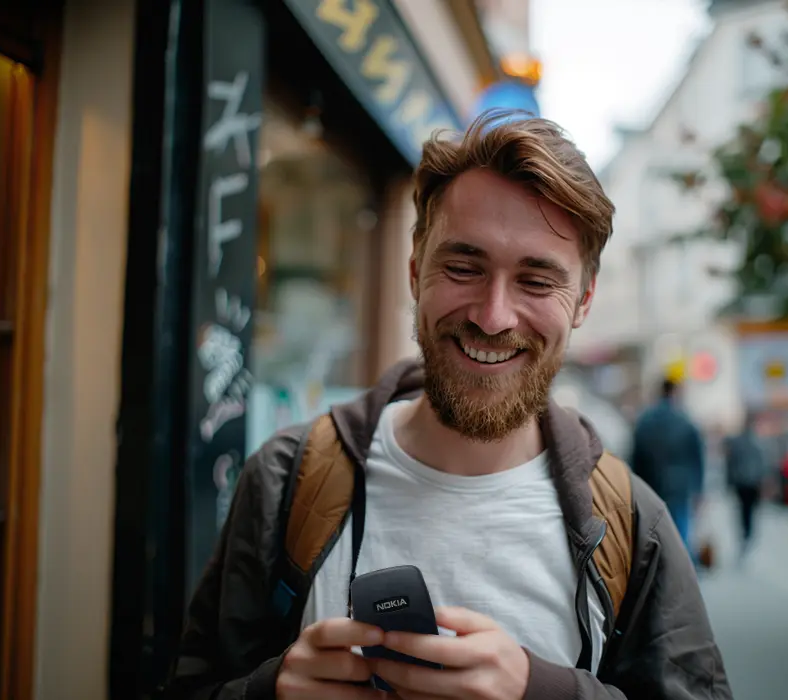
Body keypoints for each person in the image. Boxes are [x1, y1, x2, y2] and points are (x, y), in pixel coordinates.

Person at [163, 110, 731, 700]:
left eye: (536, 281)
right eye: (463, 268)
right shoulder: (287, 480)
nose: (492, 316)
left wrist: (545, 691)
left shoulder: (632, 524)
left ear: (583, 301)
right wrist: (269, 692)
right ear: (415, 273)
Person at [629, 378, 706, 557]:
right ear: (675, 393)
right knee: (680, 534)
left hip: (650, 486)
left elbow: (635, 456)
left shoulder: (645, 421)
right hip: (680, 488)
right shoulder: (686, 420)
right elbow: (697, 458)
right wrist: (699, 490)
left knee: (653, 533)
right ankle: (682, 575)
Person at [724, 412, 768, 559]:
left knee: (744, 511)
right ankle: (747, 534)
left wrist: (729, 482)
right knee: (749, 511)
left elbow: (730, 463)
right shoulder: (758, 442)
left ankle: (745, 534)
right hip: (751, 482)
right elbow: (763, 464)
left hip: (742, 482)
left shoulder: (738, 441)